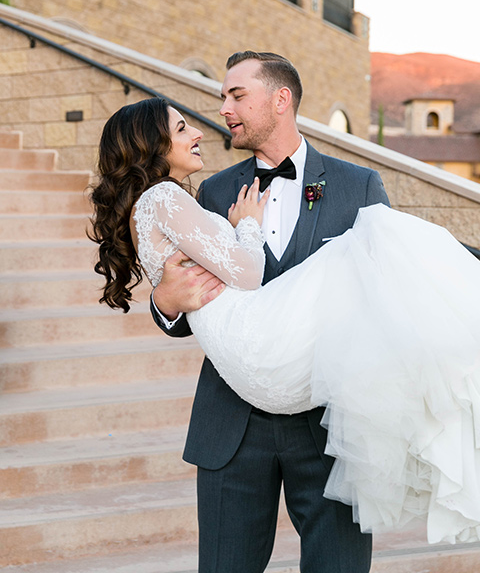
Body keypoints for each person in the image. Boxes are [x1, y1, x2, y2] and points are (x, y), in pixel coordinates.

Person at [90, 55, 480, 572]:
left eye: (237, 96)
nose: (223, 109)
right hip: (234, 424)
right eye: (223, 97)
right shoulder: (211, 189)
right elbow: (202, 296)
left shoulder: (357, 185)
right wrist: (164, 304)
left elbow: (387, 302)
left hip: (329, 428)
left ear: (281, 99)